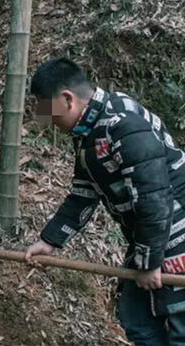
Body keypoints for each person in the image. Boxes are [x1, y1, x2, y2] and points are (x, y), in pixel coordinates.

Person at [25, 57, 185, 345]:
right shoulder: (88, 131)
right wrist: (50, 240)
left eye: (48, 111)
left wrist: (150, 262)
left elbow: (155, 198)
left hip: (177, 237)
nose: (47, 121)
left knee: (178, 324)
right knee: (136, 318)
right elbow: (84, 192)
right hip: (150, 240)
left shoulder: (123, 124)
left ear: (66, 99)